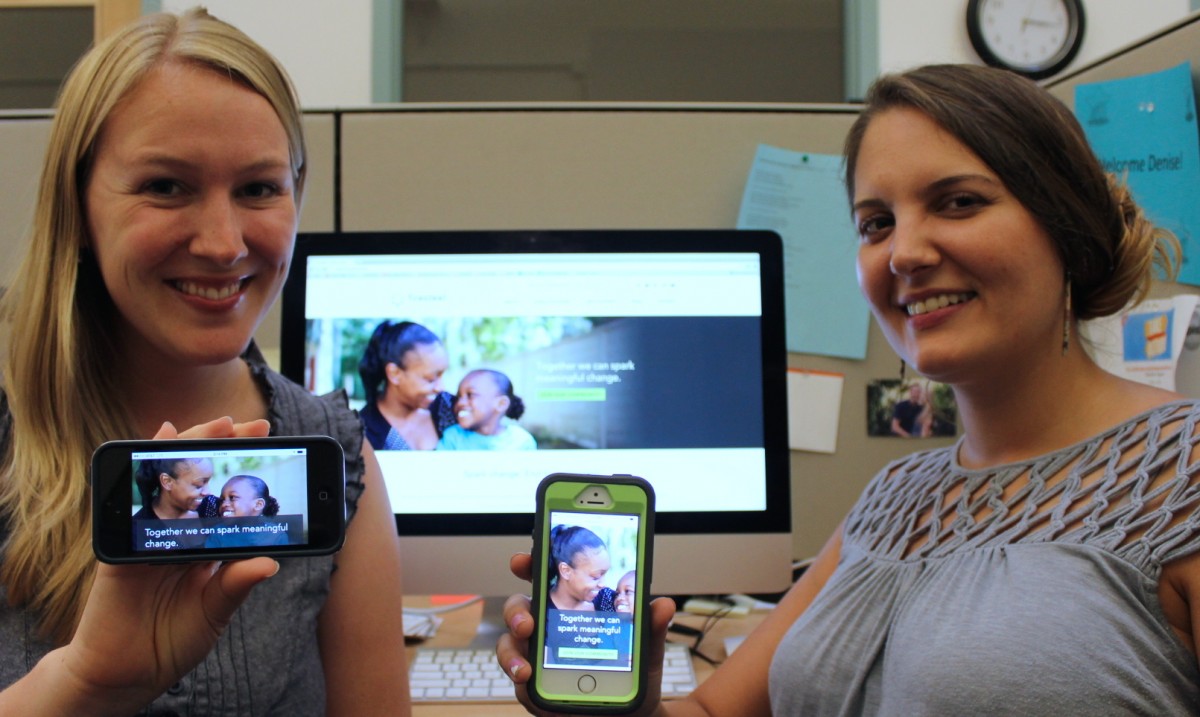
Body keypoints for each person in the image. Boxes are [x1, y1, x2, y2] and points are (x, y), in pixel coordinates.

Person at [497, 63, 1200, 715]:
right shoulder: (892, 499)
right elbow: (711, 710)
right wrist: (631, 698)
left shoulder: (1184, 469)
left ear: (1067, 225)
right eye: (876, 223)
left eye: (957, 202)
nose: (904, 252)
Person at [0, 9, 408, 715]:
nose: (224, 244)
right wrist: (83, 684)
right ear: (78, 205)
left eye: (258, 188)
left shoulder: (333, 458)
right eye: (165, 185)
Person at [358, 319, 456, 451]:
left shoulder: (450, 408)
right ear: (395, 374)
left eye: (441, 375)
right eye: (430, 379)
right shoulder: (362, 433)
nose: (440, 387)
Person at [437, 368, 538, 451]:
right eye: (458, 396)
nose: (460, 403)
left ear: (501, 404)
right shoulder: (453, 437)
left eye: (470, 395)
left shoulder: (522, 441)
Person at [206, 475, 290, 548]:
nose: (224, 504)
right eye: (222, 500)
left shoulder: (276, 535)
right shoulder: (218, 532)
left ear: (258, 504)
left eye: (232, 497)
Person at [548, 525, 616, 612]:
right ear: (566, 571)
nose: (603, 584)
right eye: (596, 577)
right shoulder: (542, 609)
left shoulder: (609, 600)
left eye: (605, 574)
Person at [133, 457, 217, 520]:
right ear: (167, 481)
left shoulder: (212, 506)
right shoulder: (139, 527)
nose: (208, 492)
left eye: (208, 482)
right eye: (198, 485)